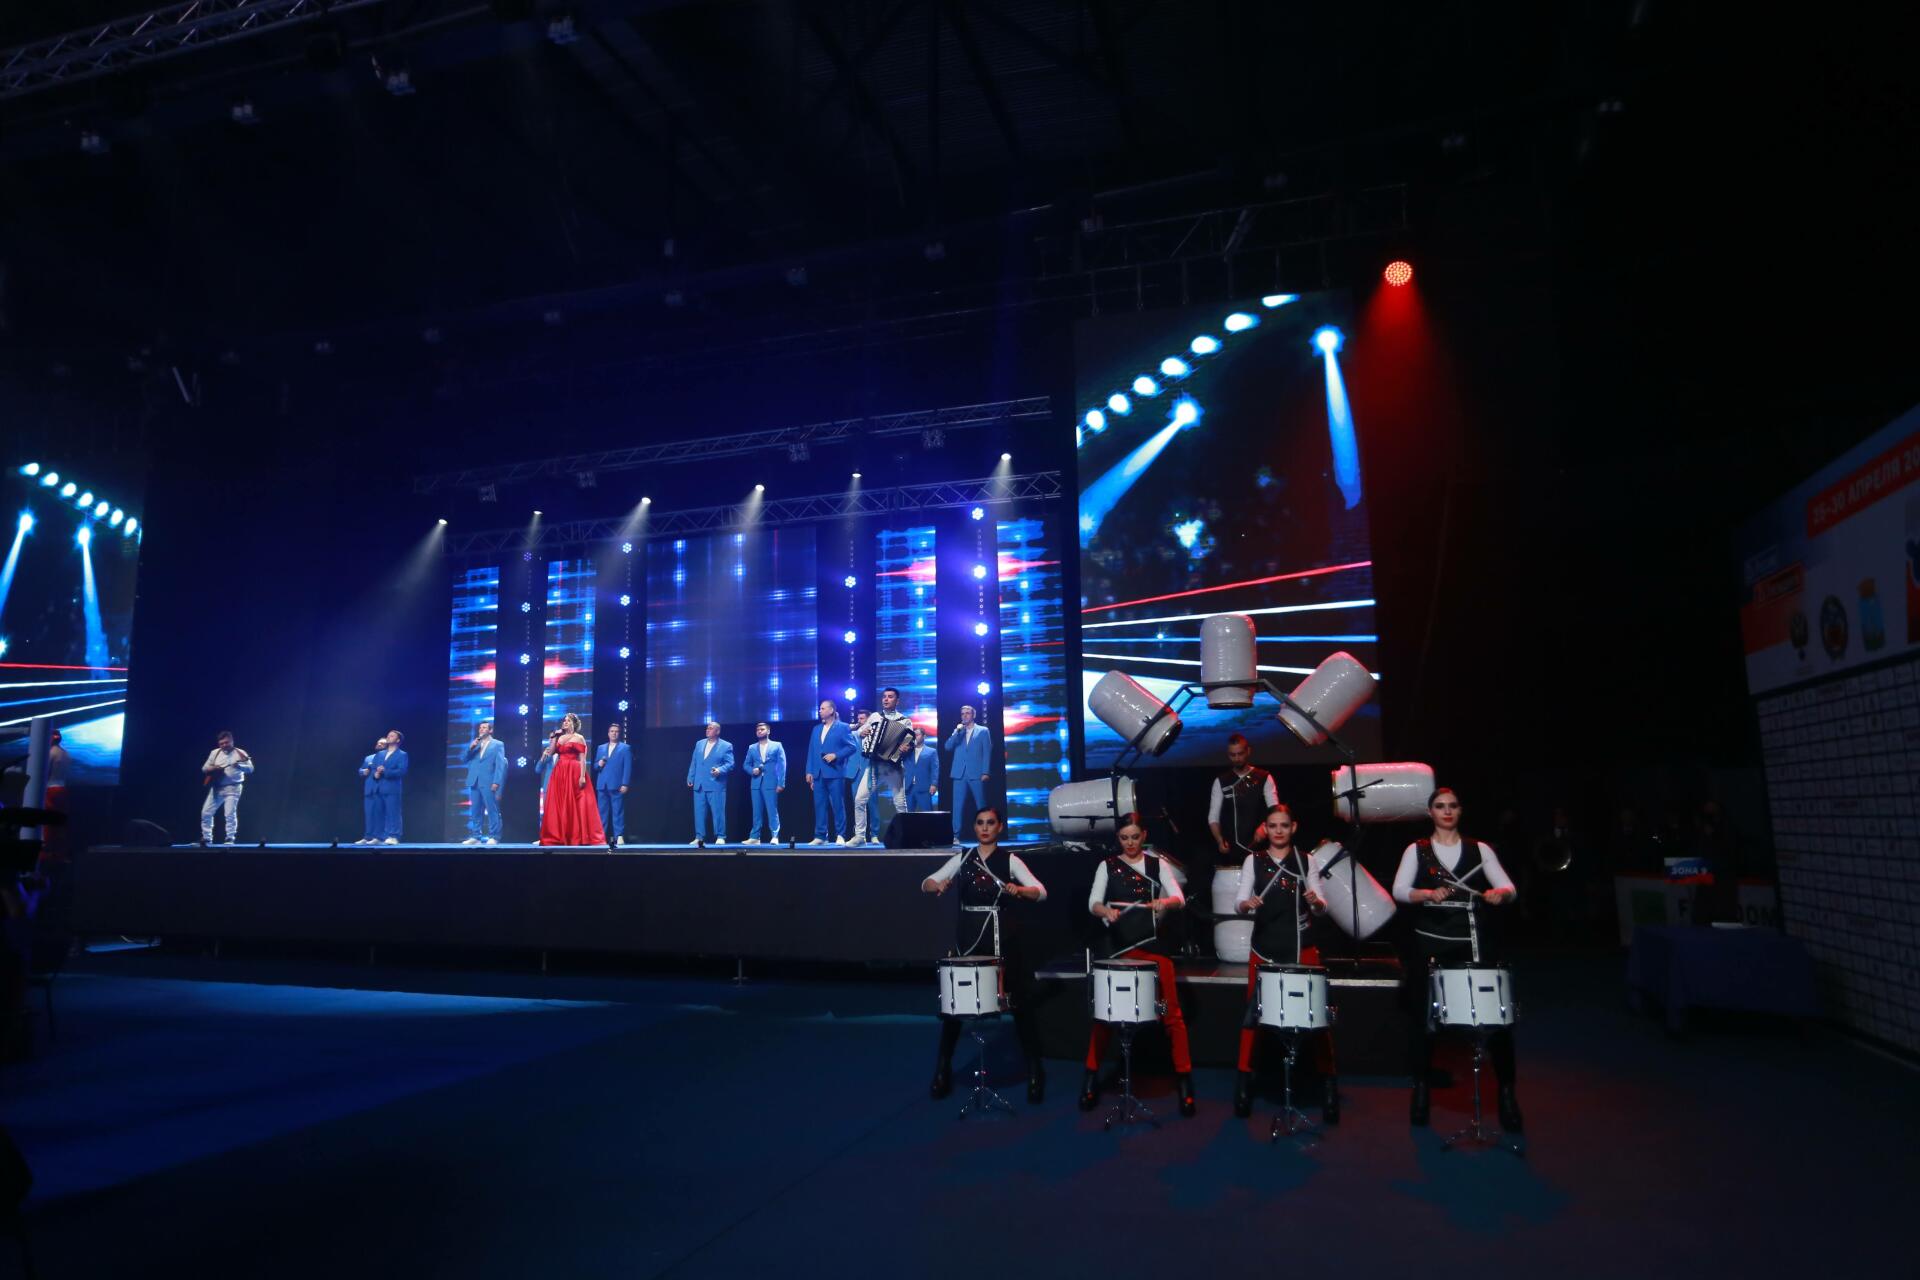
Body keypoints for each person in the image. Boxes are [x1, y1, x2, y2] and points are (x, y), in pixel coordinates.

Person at [1392, 786, 1523, 1131]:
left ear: (1460, 811)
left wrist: (1500, 894)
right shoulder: (1416, 850)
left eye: (1452, 806)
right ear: (1430, 812)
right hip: (1429, 946)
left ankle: (1507, 1094)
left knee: (1496, 1020)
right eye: (1440, 806)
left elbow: (1509, 888)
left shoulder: (1480, 850)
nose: (1447, 811)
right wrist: (1425, 893)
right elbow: (1399, 890)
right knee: (1424, 1022)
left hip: (1473, 942)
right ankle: (1421, 1089)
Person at [920, 807, 1047, 1103]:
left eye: (990, 823)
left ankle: (1034, 1071)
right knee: (955, 1007)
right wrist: (937, 884)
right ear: (974, 828)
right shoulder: (963, 858)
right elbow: (926, 882)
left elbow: (1041, 892)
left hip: (1002, 939)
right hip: (969, 940)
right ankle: (942, 1070)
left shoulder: (1009, 860)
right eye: (980, 823)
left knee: (1019, 1005)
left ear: (1000, 827)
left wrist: (1021, 891)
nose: (985, 828)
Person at [1081, 813, 1196, 1118]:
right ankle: (1090, 1076)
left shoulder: (1157, 865)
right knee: (1105, 1015)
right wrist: (1105, 910)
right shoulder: (1107, 865)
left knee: (1173, 1015)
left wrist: (1164, 902)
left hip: (1151, 946)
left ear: (1144, 835)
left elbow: (1179, 897)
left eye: (1134, 837)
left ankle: (1184, 1079)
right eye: (1124, 838)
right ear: (1118, 838)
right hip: (1119, 948)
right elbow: (1093, 902)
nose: (1130, 843)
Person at [1231, 804, 1339, 1121]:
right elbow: (1238, 902)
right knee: (1252, 1017)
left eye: (1284, 825)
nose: (1278, 831)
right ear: (1265, 829)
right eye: (1273, 826)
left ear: (1294, 827)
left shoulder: (1307, 861)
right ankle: (1243, 1081)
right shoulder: (1253, 860)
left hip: (1302, 948)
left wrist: (1316, 902)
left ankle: (1329, 1083)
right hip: (1264, 948)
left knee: (1317, 1018)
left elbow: (1321, 906)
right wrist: (1246, 904)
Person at [853, 688, 913, 845]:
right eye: (884, 697)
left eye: (890, 697)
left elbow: (909, 742)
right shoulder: (875, 716)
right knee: (859, 799)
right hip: (874, 765)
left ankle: (906, 835)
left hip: (893, 767)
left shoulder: (905, 721)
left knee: (900, 803)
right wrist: (862, 733)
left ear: (897, 701)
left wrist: (906, 747)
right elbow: (860, 731)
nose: (886, 699)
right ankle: (860, 836)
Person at [1208, 733, 1279, 860]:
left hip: (1259, 845)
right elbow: (1213, 817)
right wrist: (1219, 840)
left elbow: (1275, 810)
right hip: (1231, 848)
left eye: (1240, 754)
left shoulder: (1264, 777)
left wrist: (1264, 827)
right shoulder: (1221, 781)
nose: (1237, 758)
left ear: (1248, 751)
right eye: (1233, 755)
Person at [538, 713, 605, 846]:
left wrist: (582, 776)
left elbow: (582, 759)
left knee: (576, 803)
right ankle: (560, 835)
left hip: (574, 771)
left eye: (568, 721)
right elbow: (551, 752)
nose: (565, 722)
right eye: (564, 720)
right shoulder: (559, 737)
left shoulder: (579, 738)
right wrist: (553, 737)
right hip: (560, 772)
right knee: (560, 802)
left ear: (574, 723)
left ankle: (577, 836)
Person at [804, 699, 857, 845]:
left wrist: (836, 755)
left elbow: (852, 747)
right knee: (819, 805)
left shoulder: (843, 727)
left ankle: (841, 835)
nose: (819, 711)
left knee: (837, 804)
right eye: (820, 708)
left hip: (835, 772)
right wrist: (809, 771)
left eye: (822, 708)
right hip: (818, 773)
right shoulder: (816, 729)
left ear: (831, 710)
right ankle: (821, 836)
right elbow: (811, 751)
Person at [944, 704, 992, 847]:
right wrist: (957, 732)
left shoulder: (983, 731)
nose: (964, 715)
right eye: (962, 713)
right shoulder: (958, 731)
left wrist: (985, 771)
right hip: (959, 773)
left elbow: (987, 752)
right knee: (957, 806)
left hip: (976, 773)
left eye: (967, 713)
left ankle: (985, 834)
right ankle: (955, 836)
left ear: (973, 715)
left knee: (981, 806)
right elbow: (947, 747)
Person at [199, 730, 253, 846]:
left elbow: (250, 769)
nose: (224, 745)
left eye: (226, 742)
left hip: (233, 788)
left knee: (229, 813)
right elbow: (204, 769)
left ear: (232, 741)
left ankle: (230, 838)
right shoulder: (215, 753)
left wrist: (239, 765)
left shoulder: (240, 753)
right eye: (221, 743)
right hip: (217, 788)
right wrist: (213, 768)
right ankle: (207, 838)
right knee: (206, 812)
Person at [686, 720, 733, 844]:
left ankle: (721, 836)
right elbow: (694, 762)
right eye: (707, 728)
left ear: (717, 731)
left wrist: (719, 770)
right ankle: (699, 837)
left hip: (716, 784)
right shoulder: (699, 743)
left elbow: (730, 764)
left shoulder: (726, 745)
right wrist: (691, 777)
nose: (708, 730)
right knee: (699, 812)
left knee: (718, 812)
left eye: (711, 728)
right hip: (699, 784)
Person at [462, 722, 506, 846]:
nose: (481, 729)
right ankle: (476, 836)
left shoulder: (497, 744)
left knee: (492, 809)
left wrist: (496, 781)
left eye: (484, 727)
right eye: (480, 727)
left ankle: (494, 836)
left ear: (490, 730)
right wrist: (470, 748)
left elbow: (500, 765)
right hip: (474, 780)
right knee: (475, 810)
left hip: (489, 781)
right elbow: (464, 759)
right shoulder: (475, 744)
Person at [742, 721, 786, 844]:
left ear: (768, 731)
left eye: (762, 729)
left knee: (772, 810)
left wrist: (781, 783)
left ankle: (775, 836)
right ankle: (755, 837)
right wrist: (752, 770)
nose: (759, 731)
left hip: (771, 782)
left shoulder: (777, 745)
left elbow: (782, 765)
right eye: (757, 730)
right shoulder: (752, 747)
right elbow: (746, 765)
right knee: (756, 811)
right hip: (756, 783)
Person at [593, 723, 631, 846]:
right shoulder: (601, 748)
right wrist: (599, 764)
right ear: (608, 733)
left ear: (619, 733)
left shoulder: (625, 748)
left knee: (617, 811)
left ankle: (619, 836)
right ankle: (601, 837)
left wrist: (625, 783)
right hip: (602, 784)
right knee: (602, 812)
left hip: (617, 784)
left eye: (616, 731)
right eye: (612, 731)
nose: (614, 733)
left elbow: (627, 767)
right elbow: (595, 766)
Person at [371, 730, 409, 844]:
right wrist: (376, 774)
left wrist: (385, 771)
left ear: (398, 740)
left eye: (392, 736)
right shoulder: (380, 754)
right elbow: (374, 768)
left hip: (392, 788)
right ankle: (378, 836)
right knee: (378, 813)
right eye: (388, 735)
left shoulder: (402, 754)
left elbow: (402, 771)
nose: (388, 737)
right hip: (379, 787)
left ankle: (393, 836)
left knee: (393, 813)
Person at [356, 737, 386, 845]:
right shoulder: (369, 758)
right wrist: (363, 771)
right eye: (378, 743)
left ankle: (379, 837)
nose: (379, 744)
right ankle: (368, 836)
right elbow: (360, 770)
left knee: (380, 815)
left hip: (381, 790)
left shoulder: (389, 758)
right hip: (369, 789)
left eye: (382, 743)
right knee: (369, 814)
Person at [902, 728, 939, 812]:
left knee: (928, 814)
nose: (915, 737)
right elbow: (896, 760)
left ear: (924, 736)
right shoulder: (907, 751)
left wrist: (934, 784)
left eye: (917, 735)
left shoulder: (931, 752)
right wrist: (902, 750)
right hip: (909, 787)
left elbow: (935, 769)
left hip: (924, 787)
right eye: (914, 735)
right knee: (908, 815)